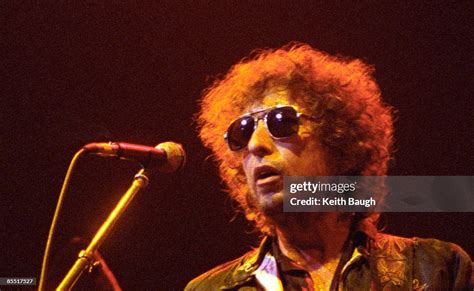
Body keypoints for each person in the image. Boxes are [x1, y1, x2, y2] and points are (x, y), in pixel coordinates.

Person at [186, 43, 473, 290]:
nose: (255, 144)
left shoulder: (435, 269)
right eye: (241, 132)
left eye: (282, 122)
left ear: (339, 142)